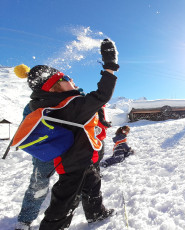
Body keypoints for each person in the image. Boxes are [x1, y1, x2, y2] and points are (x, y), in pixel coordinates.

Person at [15, 38, 120, 230]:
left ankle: (96, 213)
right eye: (64, 79)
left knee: (92, 183)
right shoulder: (70, 105)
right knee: (64, 201)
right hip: (71, 164)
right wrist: (110, 67)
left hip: (81, 158)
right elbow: (102, 95)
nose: (71, 80)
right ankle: (49, 226)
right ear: (54, 88)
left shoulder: (55, 103)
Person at [14, 104, 55, 230]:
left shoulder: (73, 97)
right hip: (45, 149)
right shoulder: (37, 102)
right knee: (38, 184)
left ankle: (73, 204)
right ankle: (25, 219)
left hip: (68, 147)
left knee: (74, 180)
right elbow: (27, 126)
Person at [94, 105, 112, 173]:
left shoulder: (94, 107)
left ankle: (95, 172)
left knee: (96, 156)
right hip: (98, 135)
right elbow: (101, 121)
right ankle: (95, 173)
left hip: (95, 135)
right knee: (98, 156)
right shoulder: (99, 107)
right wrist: (108, 124)